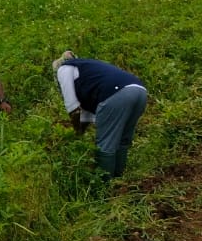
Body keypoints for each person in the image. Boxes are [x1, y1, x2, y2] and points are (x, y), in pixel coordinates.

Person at [51, 50, 148, 178]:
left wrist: (77, 133)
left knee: (105, 145)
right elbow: (86, 116)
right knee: (122, 141)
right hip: (140, 91)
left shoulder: (63, 69)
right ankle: (120, 181)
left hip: (116, 94)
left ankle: (105, 187)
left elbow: (73, 109)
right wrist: (81, 133)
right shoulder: (87, 70)